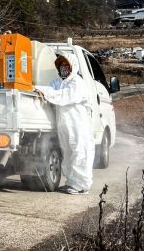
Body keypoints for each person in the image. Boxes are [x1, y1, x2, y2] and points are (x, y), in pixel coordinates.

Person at [35, 53, 94, 195]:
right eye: (61, 65)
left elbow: (64, 96)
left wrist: (44, 92)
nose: (63, 68)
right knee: (67, 153)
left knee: (80, 152)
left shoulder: (77, 82)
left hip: (78, 125)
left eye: (66, 65)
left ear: (73, 67)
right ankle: (71, 183)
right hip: (64, 125)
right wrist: (36, 88)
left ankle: (82, 185)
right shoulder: (57, 82)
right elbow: (50, 89)